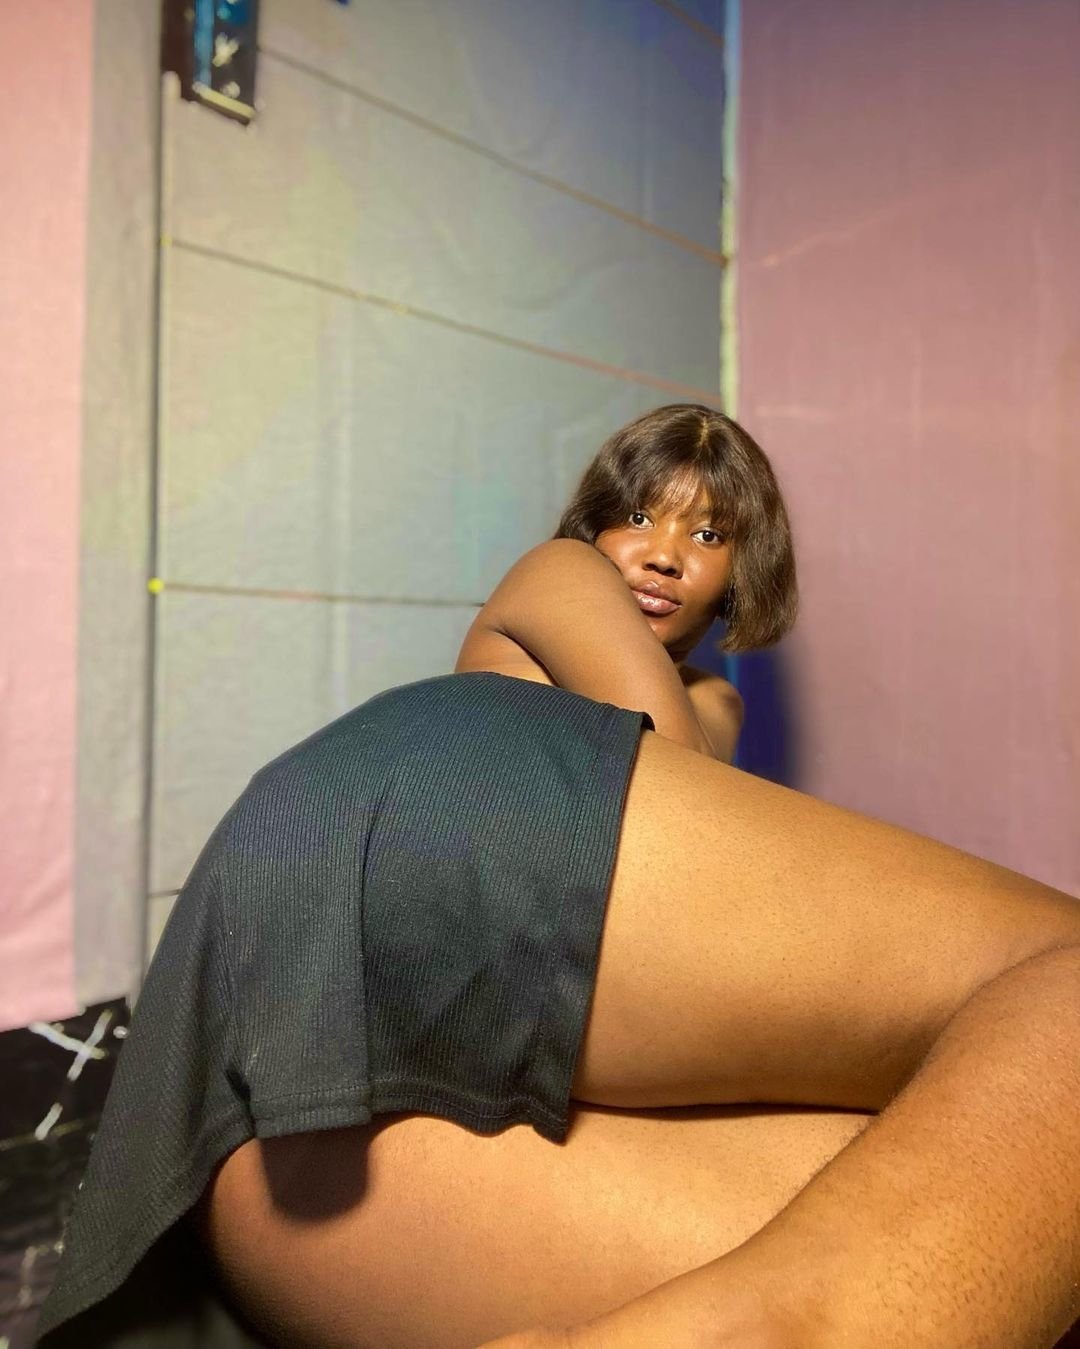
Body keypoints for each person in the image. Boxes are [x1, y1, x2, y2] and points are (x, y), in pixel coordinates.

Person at [36, 406, 1080, 1348]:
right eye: (640, 516)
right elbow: (665, 764)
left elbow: (696, 833)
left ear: (743, 567)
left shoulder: (716, 699)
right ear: (593, 523)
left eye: (709, 534)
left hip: (353, 1034)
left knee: (974, 1173)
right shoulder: (563, 572)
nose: (664, 552)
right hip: (428, 805)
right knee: (1056, 972)